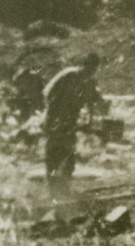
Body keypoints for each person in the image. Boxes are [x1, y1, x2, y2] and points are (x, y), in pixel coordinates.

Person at [42, 54, 106, 196]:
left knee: (69, 157)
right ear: (83, 65)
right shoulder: (68, 75)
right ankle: (53, 191)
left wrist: (90, 121)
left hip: (70, 122)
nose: (91, 72)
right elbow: (47, 93)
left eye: (94, 69)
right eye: (89, 68)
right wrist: (53, 116)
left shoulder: (90, 81)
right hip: (55, 121)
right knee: (54, 155)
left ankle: (64, 190)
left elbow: (93, 100)